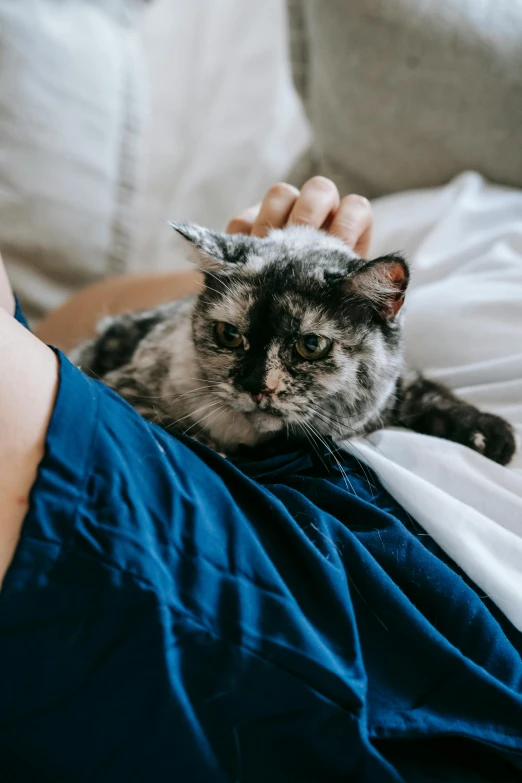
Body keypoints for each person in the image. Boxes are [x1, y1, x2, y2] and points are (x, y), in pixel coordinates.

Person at [1, 178, 522, 782]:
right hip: (216, 453)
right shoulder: (426, 200)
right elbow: (67, 320)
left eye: (306, 348)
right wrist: (259, 259)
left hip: (380, 557)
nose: (263, 386)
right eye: (229, 339)